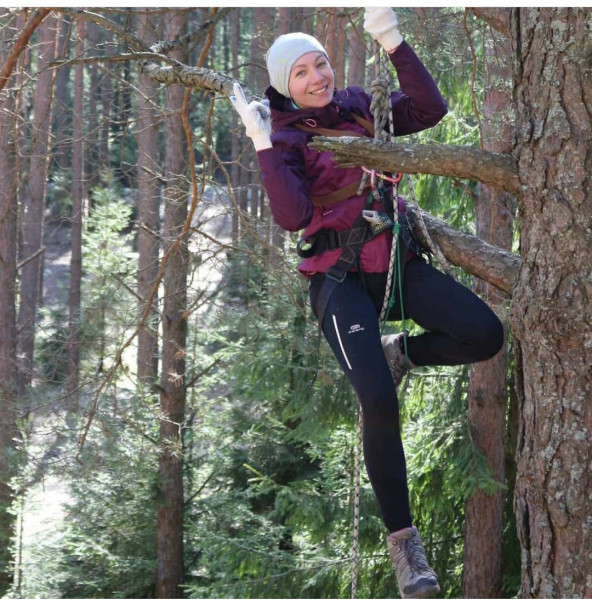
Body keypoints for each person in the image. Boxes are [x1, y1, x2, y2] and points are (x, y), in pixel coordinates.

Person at [231, 7, 503, 599]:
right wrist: (261, 142)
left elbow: (429, 110)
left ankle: (400, 351)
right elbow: (292, 216)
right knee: (377, 400)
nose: (317, 77)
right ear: (283, 84)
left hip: (396, 261)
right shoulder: (285, 136)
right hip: (340, 280)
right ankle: (405, 546)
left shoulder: (359, 107)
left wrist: (391, 40)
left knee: (485, 334)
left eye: (321, 64)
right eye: (301, 72)